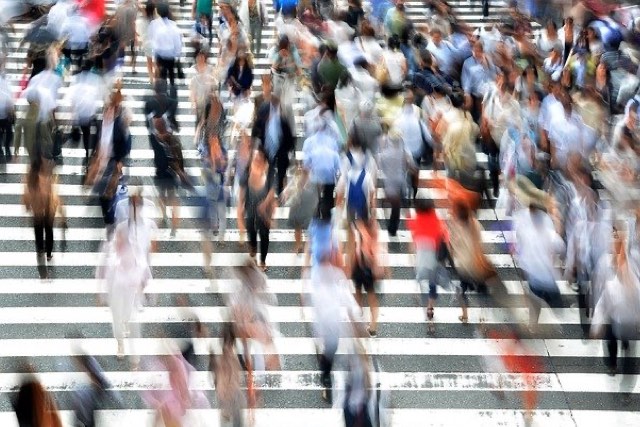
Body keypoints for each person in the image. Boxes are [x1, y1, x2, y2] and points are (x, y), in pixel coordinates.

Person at [96, 225, 150, 363]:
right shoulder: (109, 248)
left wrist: (142, 283)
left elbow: (143, 265)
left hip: (129, 288)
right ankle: (120, 343)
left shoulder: (133, 248)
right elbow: (100, 269)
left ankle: (125, 321)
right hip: (115, 289)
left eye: (121, 237)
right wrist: (99, 292)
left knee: (126, 313)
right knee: (116, 317)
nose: (118, 240)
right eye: (117, 236)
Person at [238, 148, 278, 271]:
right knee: (251, 230)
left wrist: (265, 205)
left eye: (260, 159)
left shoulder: (270, 173)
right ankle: (253, 248)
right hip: (250, 209)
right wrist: (240, 217)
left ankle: (263, 261)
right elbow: (241, 197)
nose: (257, 161)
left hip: (265, 212)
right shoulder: (246, 175)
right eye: (255, 159)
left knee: (264, 235)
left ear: (265, 161)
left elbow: (272, 190)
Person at [22, 157, 65, 263]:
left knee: (39, 228)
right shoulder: (47, 170)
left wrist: (27, 204)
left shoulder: (32, 174)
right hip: (48, 206)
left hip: (39, 206)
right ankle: (48, 253)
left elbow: (27, 192)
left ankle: (41, 249)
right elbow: (55, 192)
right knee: (48, 229)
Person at [252, 94, 296, 196]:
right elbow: (255, 134)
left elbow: (289, 139)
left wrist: (285, 150)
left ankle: (279, 191)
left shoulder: (282, 121)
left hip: (281, 153)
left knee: (281, 174)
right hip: (266, 152)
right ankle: (267, 193)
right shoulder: (261, 121)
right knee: (268, 173)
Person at [148, 2, 183, 86]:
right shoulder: (173, 25)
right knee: (171, 74)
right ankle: (172, 88)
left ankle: (162, 89)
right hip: (171, 55)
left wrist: (154, 53)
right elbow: (177, 41)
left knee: (162, 76)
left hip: (160, 55)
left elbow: (151, 39)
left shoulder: (154, 24)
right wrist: (177, 54)